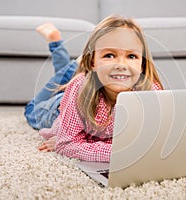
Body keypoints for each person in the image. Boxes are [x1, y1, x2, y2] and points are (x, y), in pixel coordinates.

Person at [33, 15, 163, 162]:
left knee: (70, 75)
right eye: (109, 55)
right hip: (55, 109)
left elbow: (153, 143)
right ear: (93, 62)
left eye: (131, 56)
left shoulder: (151, 93)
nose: (121, 64)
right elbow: (66, 145)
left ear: (142, 64)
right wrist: (120, 152)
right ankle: (56, 44)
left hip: (90, 83)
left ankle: (74, 66)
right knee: (32, 108)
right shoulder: (78, 88)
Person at [24, 23, 79, 130]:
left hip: (69, 96)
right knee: (31, 108)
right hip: (65, 103)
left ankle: (73, 63)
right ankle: (59, 48)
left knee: (31, 109)